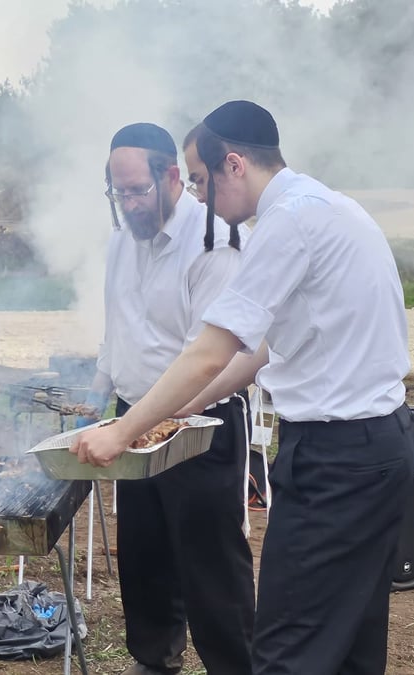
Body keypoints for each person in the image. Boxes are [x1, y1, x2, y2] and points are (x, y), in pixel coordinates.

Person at [71, 101, 414, 675]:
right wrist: (173, 413)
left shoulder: (288, 223)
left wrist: (124, 432)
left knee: (285, 650)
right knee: (353, 640)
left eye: (203, 180)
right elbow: (259, 352)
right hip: (379, 446)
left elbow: (210, 351)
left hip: (337, 460)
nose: (200, 197)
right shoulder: (326, 206)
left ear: (234, 164)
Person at [82, 123, 254, 675]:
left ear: (172, 176)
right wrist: (97, 397)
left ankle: (235, 665)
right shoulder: (120, 241)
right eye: (118, 192)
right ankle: (154, 658)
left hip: (200, 423)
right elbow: (118, 332)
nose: (128, 204)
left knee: (210, 560)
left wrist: (146, 421)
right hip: (131, 417)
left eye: (136, 190)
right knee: (144, 552)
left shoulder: (214, 245)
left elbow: (212, 356)